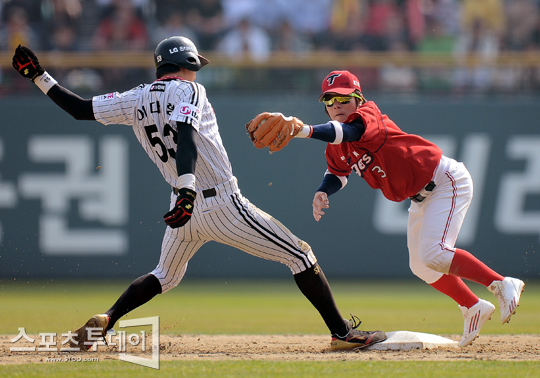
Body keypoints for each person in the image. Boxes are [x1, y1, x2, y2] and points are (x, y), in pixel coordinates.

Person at [11, 39, 387, 352]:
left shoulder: (135, 97)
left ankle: (106, 321)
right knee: (301, 255)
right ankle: (342, 333)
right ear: (187, 62)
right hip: (217, 200)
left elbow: (79, 110)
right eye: (195, 64)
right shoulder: (190, 89)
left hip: (182, 206)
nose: (197, 70)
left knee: (164, 275)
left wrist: (38, 76)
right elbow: (186, 136)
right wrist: (189, 186)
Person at [249, 70, 525, 347]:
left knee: (434, 253)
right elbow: (338, 173)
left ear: (358, 99)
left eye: (344, 99)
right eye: (330, 100)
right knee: (422, 266)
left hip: (444, 181)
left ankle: (501, 283)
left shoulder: (368, 115)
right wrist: (324, 190)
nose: (336, 106)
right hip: (420, 197)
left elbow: (348, 132)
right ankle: (473, 306)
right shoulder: (337, 144)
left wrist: (303, 130)